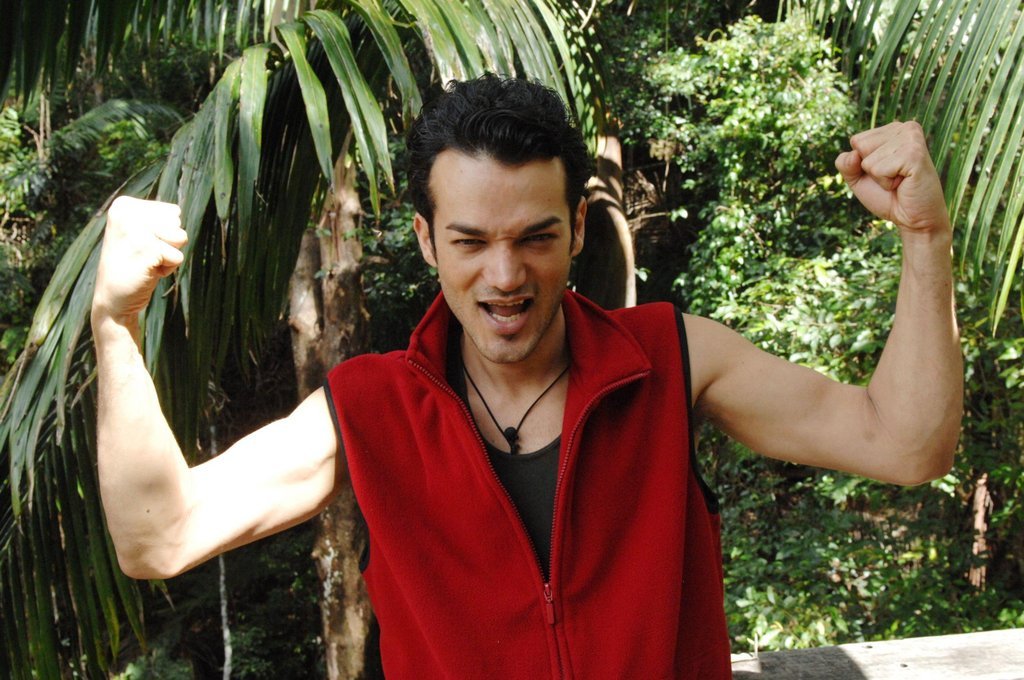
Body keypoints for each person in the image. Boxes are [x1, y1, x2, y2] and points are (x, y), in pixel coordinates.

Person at [91, 74, 962, 678]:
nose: (504, 277)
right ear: (427, 240)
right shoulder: (368, 407)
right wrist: (116, 326)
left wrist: (924, 238)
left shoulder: (672, 358)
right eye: (470, 242)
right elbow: (159, 536)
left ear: (577, 228)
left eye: (535, 238)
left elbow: (906, 443)